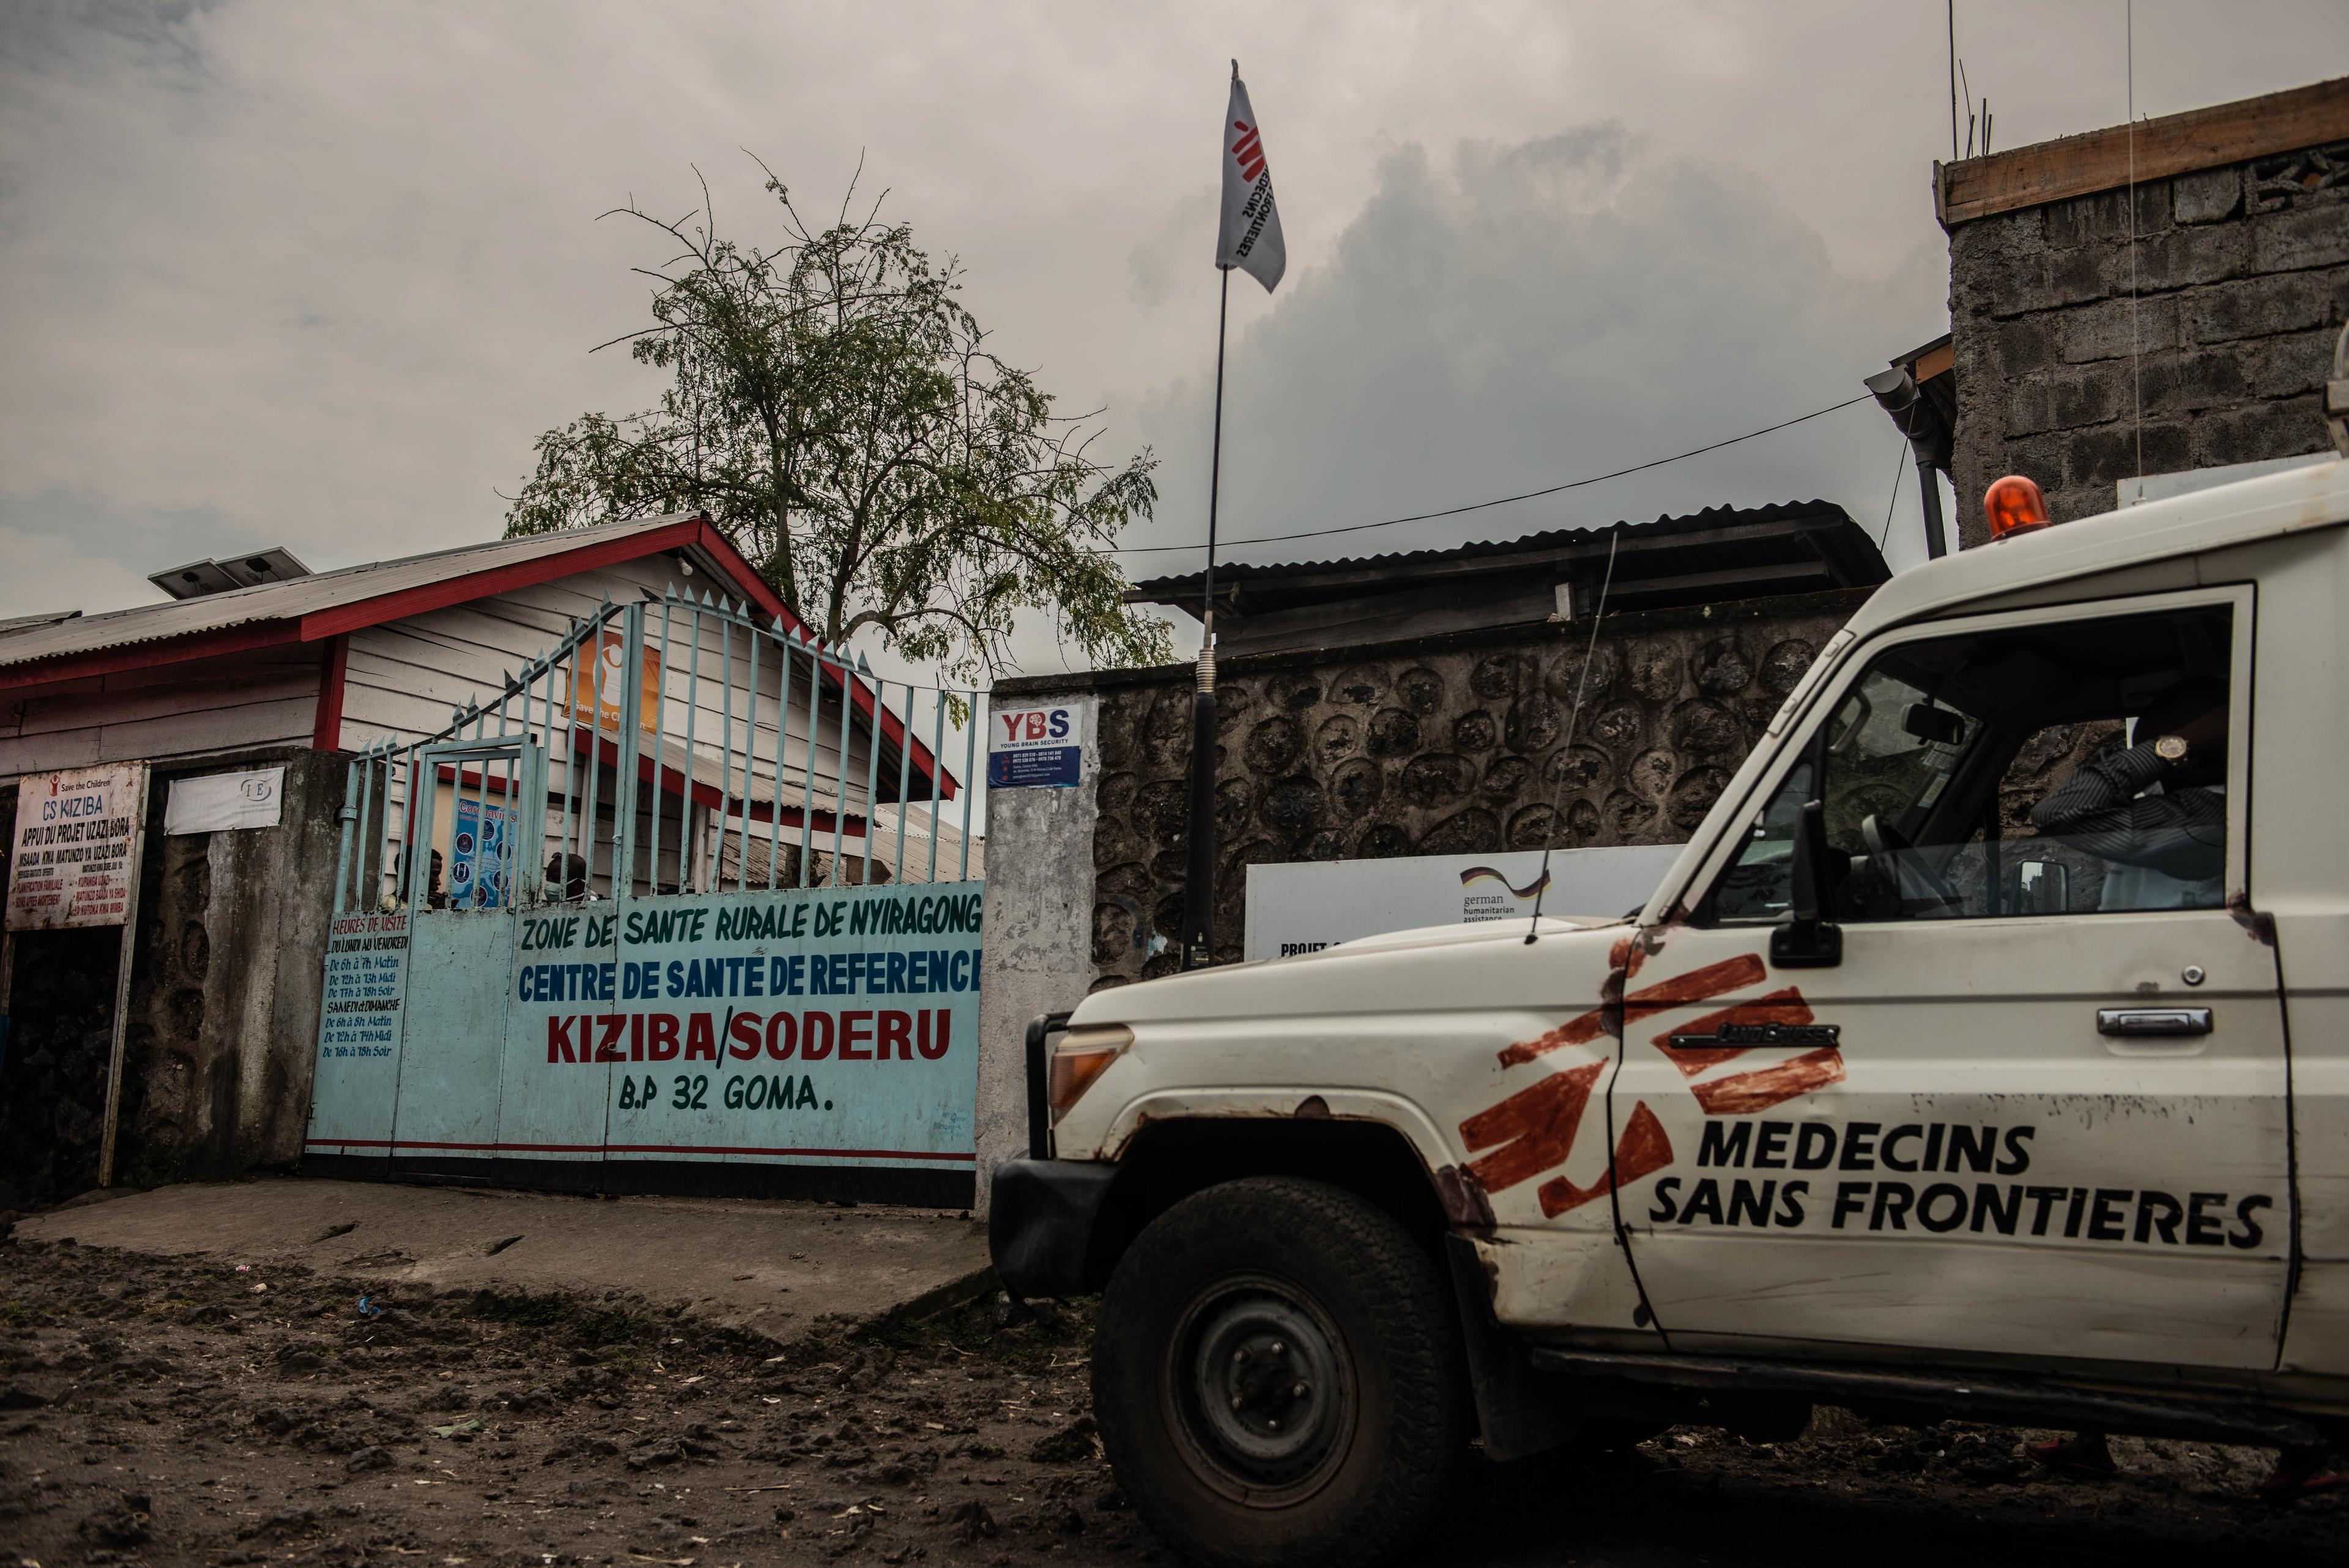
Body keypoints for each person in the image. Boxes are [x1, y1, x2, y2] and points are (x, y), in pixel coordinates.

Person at [2027, 678, 2336, 1499]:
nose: (2141, 746)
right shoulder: (2213, 821)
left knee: (2175, 1241)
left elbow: (2061, 811)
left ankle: (2310, 1443)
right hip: (2165, 1046)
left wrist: (2174, 746)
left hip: (2176, 1053)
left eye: (2157, 733)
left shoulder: (2203, 816)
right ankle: (2103, 1428)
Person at [2028, 678, 2227, 909]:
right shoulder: (2187, 817)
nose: (2148, 781)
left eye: (2163, 763)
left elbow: (2057, 813)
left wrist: (2178, 744)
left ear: (2198, 760)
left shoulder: (2210, 813)